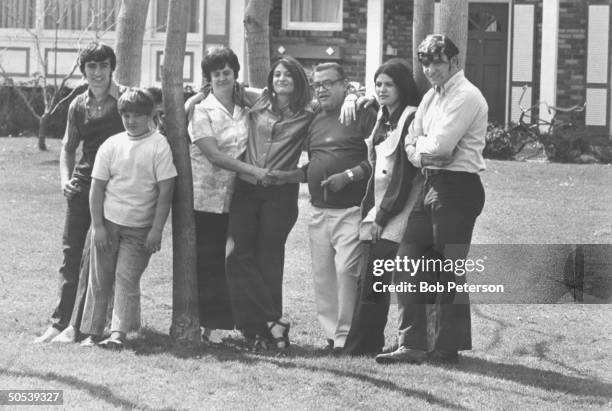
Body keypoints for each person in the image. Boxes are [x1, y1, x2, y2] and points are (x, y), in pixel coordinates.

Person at [375, 34, 488, 364]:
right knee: (409, 262)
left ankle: (445, 348)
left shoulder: (466, 95)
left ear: (453, 62)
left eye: (437, 61)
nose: (431, 69)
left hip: (459, 188)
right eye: (425, 63)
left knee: (446, 268)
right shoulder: (430, 98)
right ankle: (412, 344)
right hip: (431, 184)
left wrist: (423, 149)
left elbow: (441, 147)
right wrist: (420, 152)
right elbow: (416, 140)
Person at [35, 43, 125, 343]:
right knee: (71, 255)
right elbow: (67, 148)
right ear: (84, 70)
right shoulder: (77, 105)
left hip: (116, 189)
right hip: (83, 186)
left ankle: (92, 325)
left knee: (101, 257)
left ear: (111, 68)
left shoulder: (125, 99)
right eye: (91, 67)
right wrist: (65, 180)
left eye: (102, 66)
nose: (97, 73)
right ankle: (59, 323)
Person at [342, 59, 431, 356]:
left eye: (388, 84)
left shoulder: (410, 117)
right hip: (378, 208)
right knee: (370, 280)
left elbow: (405, 176)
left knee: (376, 280)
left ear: (402, 86)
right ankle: (365, 344)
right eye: (378, 84)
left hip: (399, 210)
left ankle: (360, 347)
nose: (381, 89)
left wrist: (382, 216)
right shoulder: (382, 116)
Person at [225, 56, 313, 349]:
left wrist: (288, 176)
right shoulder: (257, 100)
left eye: (288, 75)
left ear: (298, 80)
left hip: (279, 194)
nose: (281, 79)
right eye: (277, 74)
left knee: (269, 260)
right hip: (247, 189)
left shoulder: (309, 114)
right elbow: (222, 87)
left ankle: (260, 333)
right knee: (236, 255)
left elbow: (316, 161)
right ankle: (273, 321)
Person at [79, 88, 177, 349]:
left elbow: (166, 191)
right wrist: (98, 226)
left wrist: (156, 230)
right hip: (109, 223)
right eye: (126, 115)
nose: (131, 121)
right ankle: (92, 331)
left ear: (150, 115)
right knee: (100, 279)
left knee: (126, 278)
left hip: (139, 228)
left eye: (137, 115)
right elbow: (97, 188)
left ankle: (118, 334)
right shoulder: (112, 145)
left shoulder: (159, 145)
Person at [187, 47, 268, 343]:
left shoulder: (245, 109)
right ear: (208, 78)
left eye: (227, 72)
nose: (222, 78)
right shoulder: (200, 110)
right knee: (207, 262)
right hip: (203, 197)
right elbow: (213, 155)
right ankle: (206, 325)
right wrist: (254, 171)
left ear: (235, 75)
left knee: (231, 261)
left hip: (236, 197)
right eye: (216, 73)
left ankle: (228, 323)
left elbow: (273, 97)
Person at [299, 62, 377, 352]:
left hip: (350, 211)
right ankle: (332, 336)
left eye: (329, 83)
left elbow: (381, 159)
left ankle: (345, 337)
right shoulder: (314, 118)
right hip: (318, 210)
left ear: (346, 84)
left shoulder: (362, 113)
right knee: (323, 276)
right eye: (318, 84)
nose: (323, 88)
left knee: (346, 272)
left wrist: (347, 176)